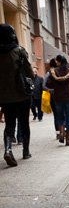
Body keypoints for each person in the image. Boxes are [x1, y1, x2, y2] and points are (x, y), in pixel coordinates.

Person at [0, 23, 34, 167]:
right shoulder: (19, 51)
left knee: (9, 124)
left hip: (5, 97)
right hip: (22, 94)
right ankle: (25, 151)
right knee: (24, 122)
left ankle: (8, 150)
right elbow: (30, 72)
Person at [46, 55, 69, 146]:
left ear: (59, 62)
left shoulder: (54, 72)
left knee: (60, 117)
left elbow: (48, 84)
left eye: (57, 61)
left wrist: (56, 85)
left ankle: (61, 134)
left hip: (58, 98)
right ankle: (68, 139)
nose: (56, 63)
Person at [43, 58, 60, 139]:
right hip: (61, 95)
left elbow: (43, 86)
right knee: (61, 114)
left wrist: (50, 90)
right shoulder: (60, 72)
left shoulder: (48, 73)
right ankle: (63, 130)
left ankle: (58, 132)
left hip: (52, 96)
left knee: (56, 115)